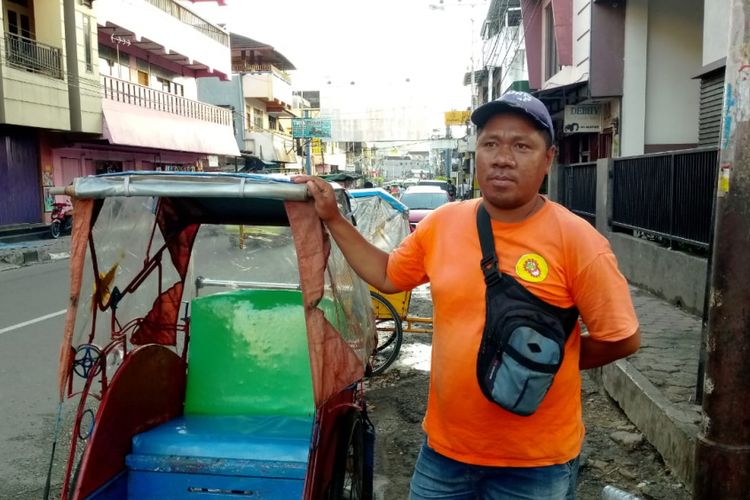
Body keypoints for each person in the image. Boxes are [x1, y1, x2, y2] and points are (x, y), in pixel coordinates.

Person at [295, 91, 640, 499]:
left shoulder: (579, 242)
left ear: (548, 159)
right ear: (476, 153)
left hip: (535, 464)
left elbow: (621, 337)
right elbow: (387, 275)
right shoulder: (444, 224)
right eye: (490, 144)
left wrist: (544, 359)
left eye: (521, 146)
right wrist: (333, 218)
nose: (503, 158)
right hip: (445, 454)